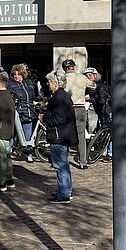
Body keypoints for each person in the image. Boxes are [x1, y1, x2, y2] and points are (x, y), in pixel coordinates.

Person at [42, 73, 76, 204]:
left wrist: (44, 117)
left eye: (49, 82)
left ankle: (64, 193)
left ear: (55, 83)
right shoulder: (63, 95)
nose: (48, 84)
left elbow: (59, 118)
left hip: (59, 135)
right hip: (63, 135)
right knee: (63, 164)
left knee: (60, 165)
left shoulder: (58, 97)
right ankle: (66, 190)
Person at [61, 59, 95, 169]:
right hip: (80, 108)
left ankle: (63, 159)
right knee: (81, 136)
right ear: (74, 67)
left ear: (65, 69)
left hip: (68, 109)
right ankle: (82, 162)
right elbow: (93, 86)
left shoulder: (63, 78)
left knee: (65, 135)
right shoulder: (82, 77)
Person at [8, 64, 37, 163]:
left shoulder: (28, 83)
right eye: (14, 74)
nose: (16, 76)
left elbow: (33, 96)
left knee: (28, 135)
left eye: (18, 74)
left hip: (28, 111)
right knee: (12, 135)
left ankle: (29, 154)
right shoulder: (10, 84)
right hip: (16, 113)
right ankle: (8, 152)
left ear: (23, 75)